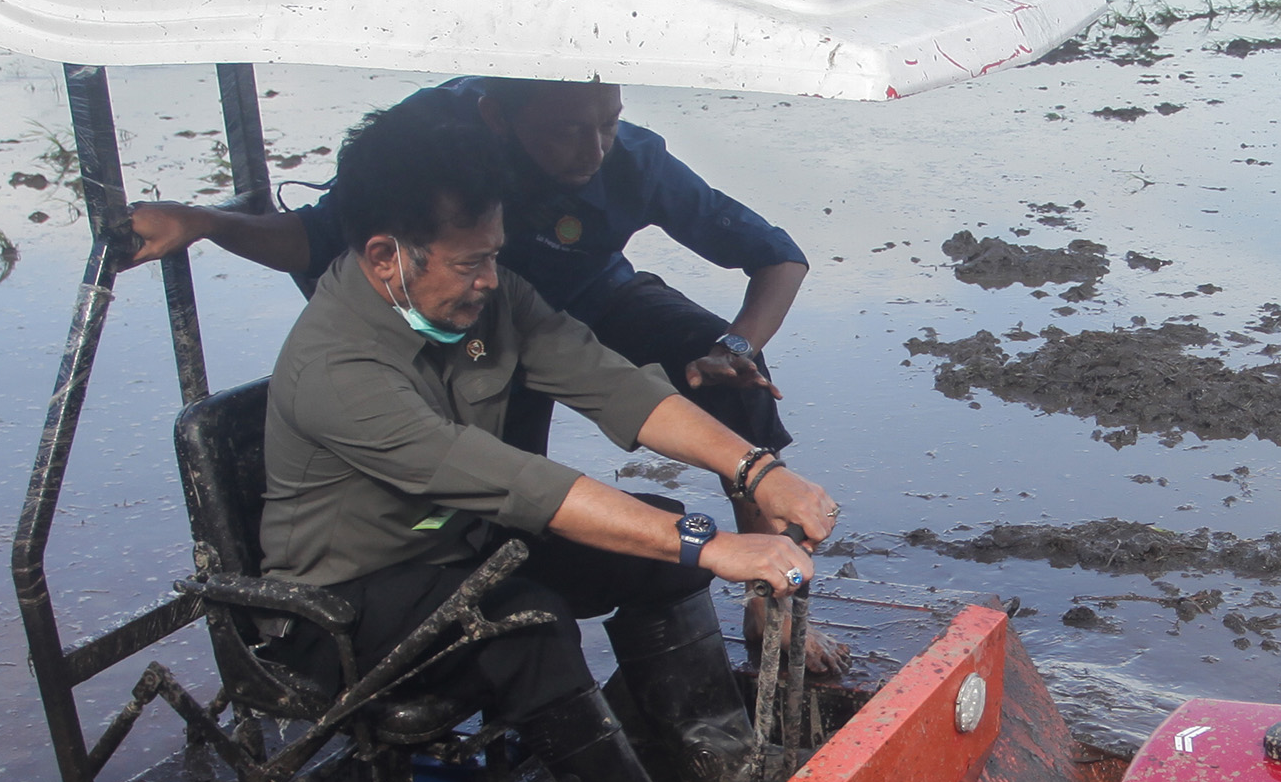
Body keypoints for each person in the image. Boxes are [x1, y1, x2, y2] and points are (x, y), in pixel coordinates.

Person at [248, 107, 838, 782]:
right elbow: (524, 486)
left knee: (652, 551)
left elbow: (612, 382)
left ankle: (721, 780)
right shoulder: (338, 372)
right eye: (470, 263)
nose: (491, 279)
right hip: (345, 606)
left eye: (495, 254)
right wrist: (711, 543)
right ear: (386, 255)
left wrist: (756, 467)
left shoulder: (490, 299)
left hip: (461, 547)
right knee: (527, 622)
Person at [128, 74, 806, 494]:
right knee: (505, 482)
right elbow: (314, 235)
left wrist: (737, 345)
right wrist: (206, 221)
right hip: (476, 319)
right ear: (497, 117)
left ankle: (762, 582)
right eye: (567, 131)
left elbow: (777, 255)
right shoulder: (432, 142)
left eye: (607, 122)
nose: (593, 149)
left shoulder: (631, 158)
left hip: (588, 293)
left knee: (724, 369)